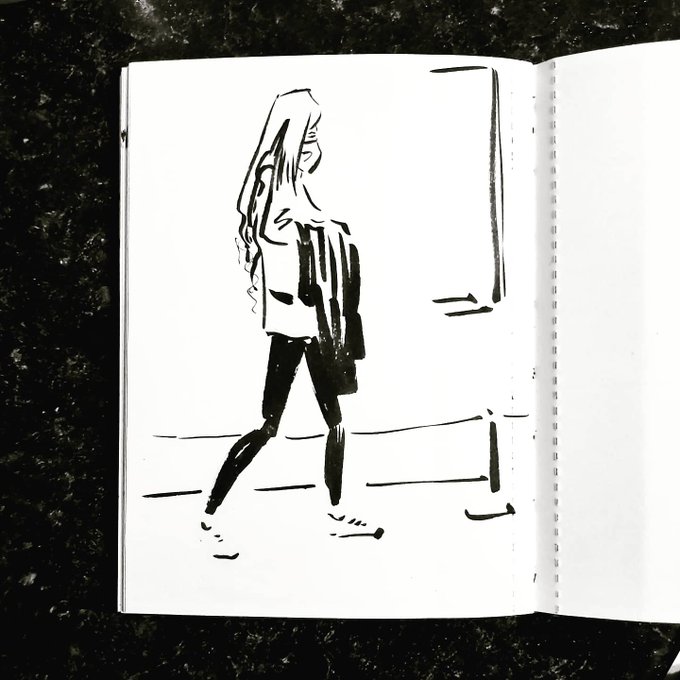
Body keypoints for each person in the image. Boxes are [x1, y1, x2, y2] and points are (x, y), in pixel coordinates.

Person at [204, 89, 365, 520]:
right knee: (271, 425)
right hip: (296, 323)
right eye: (310, 134)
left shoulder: (292, 186)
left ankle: (337, 506)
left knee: (333, 420)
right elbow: (277, 236)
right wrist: (322, 227)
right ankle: (212, 506)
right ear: (293, 135)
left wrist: (323, 227)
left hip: (311, 323)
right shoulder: (275, 187)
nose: (316, 143)